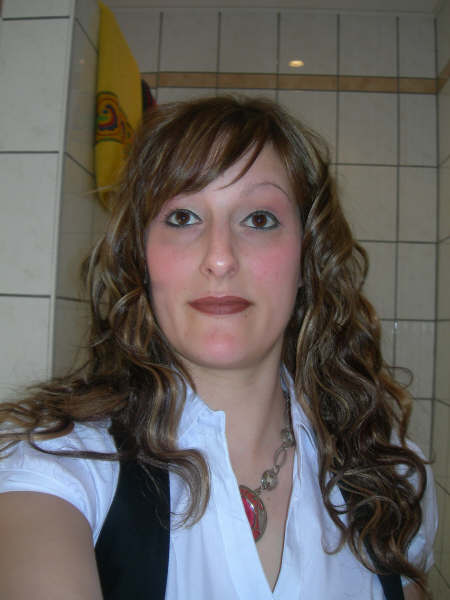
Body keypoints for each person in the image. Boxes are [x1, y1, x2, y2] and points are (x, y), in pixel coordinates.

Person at [0, 96, 437, 600]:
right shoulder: (57, 464)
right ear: (141, 258)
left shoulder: (392, 475)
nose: (221, 258)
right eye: (183, 217)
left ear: (307, 258)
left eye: (259, 219)